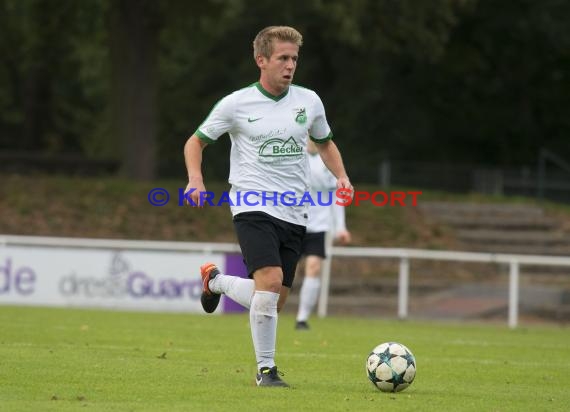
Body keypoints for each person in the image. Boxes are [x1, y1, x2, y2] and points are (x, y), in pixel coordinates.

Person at [183, 26, 352, 387]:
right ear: (261, 60)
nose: (290, 66)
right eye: (282, 58)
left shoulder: (309, 101)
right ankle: (266, 371)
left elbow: (325, 143)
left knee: (273, 302)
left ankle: (216, 281)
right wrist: (195, 179)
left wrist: (341, 177)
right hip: (252, 204)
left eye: (294, 59)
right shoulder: (236, 104)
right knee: (270, 282)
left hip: (295, 211)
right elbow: (195, 142)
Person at [295, 141, 351, 331]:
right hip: (292, 222)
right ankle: (264, 314)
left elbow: (337, 197)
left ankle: (302, 319)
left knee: (313, 267)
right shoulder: (292, 155)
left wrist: (340, 228)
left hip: (318, 226)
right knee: (282, 272)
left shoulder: (328, 162)